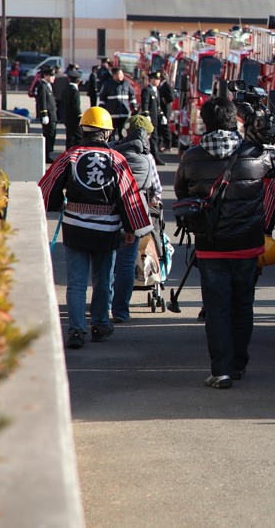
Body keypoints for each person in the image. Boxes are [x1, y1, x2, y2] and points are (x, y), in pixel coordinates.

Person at [174, 97, 275, 389]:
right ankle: (238, 365)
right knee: (243, 304)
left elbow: (181, 191)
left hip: (210, 245)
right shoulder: (257, 153)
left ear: (206, 122)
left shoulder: (191, 157)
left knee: (217, 307)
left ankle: (220, 370)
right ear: (236, 120)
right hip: (248, 243)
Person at [38, 106, 153, 350]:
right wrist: (132, 228)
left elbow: (48, 187)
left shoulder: (70, 156)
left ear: (83, 130)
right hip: (106, 231)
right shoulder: (116, 159)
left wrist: (57, 205)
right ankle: (100, 325)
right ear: (108, 134)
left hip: (75, 229)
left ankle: (76, 331)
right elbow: (128, 196)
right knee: (102, 281)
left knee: (77, 284)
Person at [110, 115, 163, 323]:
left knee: (107, 264)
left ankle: (104, 306)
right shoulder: (147, 158)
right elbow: (156, 191)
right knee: (126, 265)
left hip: (110, 217)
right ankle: (121, 311)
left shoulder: (112, 152)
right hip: (134, 217)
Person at [99, 67, 137, 139]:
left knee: (123, 134)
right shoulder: (107, 84)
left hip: (124, 114)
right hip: (112, 115)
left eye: (122, 74)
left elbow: (132, 96)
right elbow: (102, 98)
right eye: (118, 74)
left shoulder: (126, 84)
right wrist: (102, 109)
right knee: (111, 135)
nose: (121, 76)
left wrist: (134, 107)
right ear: (113, 75)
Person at [139, 71, 165, 165]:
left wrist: (162, 115)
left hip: (155, 118)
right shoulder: (147, 90)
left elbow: (158, 106)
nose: (157, 81)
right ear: (151, 79)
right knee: (153, 138)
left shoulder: (156, 90)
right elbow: (145, 104)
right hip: (150, 118)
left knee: (155, 138)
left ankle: (153, 156)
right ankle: (155, 157)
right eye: (156, 79)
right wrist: (146, 115)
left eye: (158, 79)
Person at [35, 66, 58, 164]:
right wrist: (44, 114)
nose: (53, 78)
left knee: (51, 135)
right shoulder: (42, 86)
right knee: (48, 135)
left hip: (52, 115)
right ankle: (46, 154)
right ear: (46, 76)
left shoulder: (48, 86)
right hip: (48, 115)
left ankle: (48, 153)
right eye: (51, 76)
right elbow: (42, 101)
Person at [62, 66, 84, 151]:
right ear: (79, 81)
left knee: (69, 138)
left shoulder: (66, 90)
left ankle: (68, 153)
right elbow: (76, 106)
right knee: (79, 137)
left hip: (67, 118)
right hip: (75, 119)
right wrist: (80, 117)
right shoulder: (75, 91)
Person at [153, 71, 175, 152]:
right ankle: (160, 144)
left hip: (165, 109)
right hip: (160, 109)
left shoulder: (167, 85)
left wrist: (164, 100)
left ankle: (168, 145)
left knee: (165, 128)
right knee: (160, 128)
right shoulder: (160, 86)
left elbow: (171, 97)